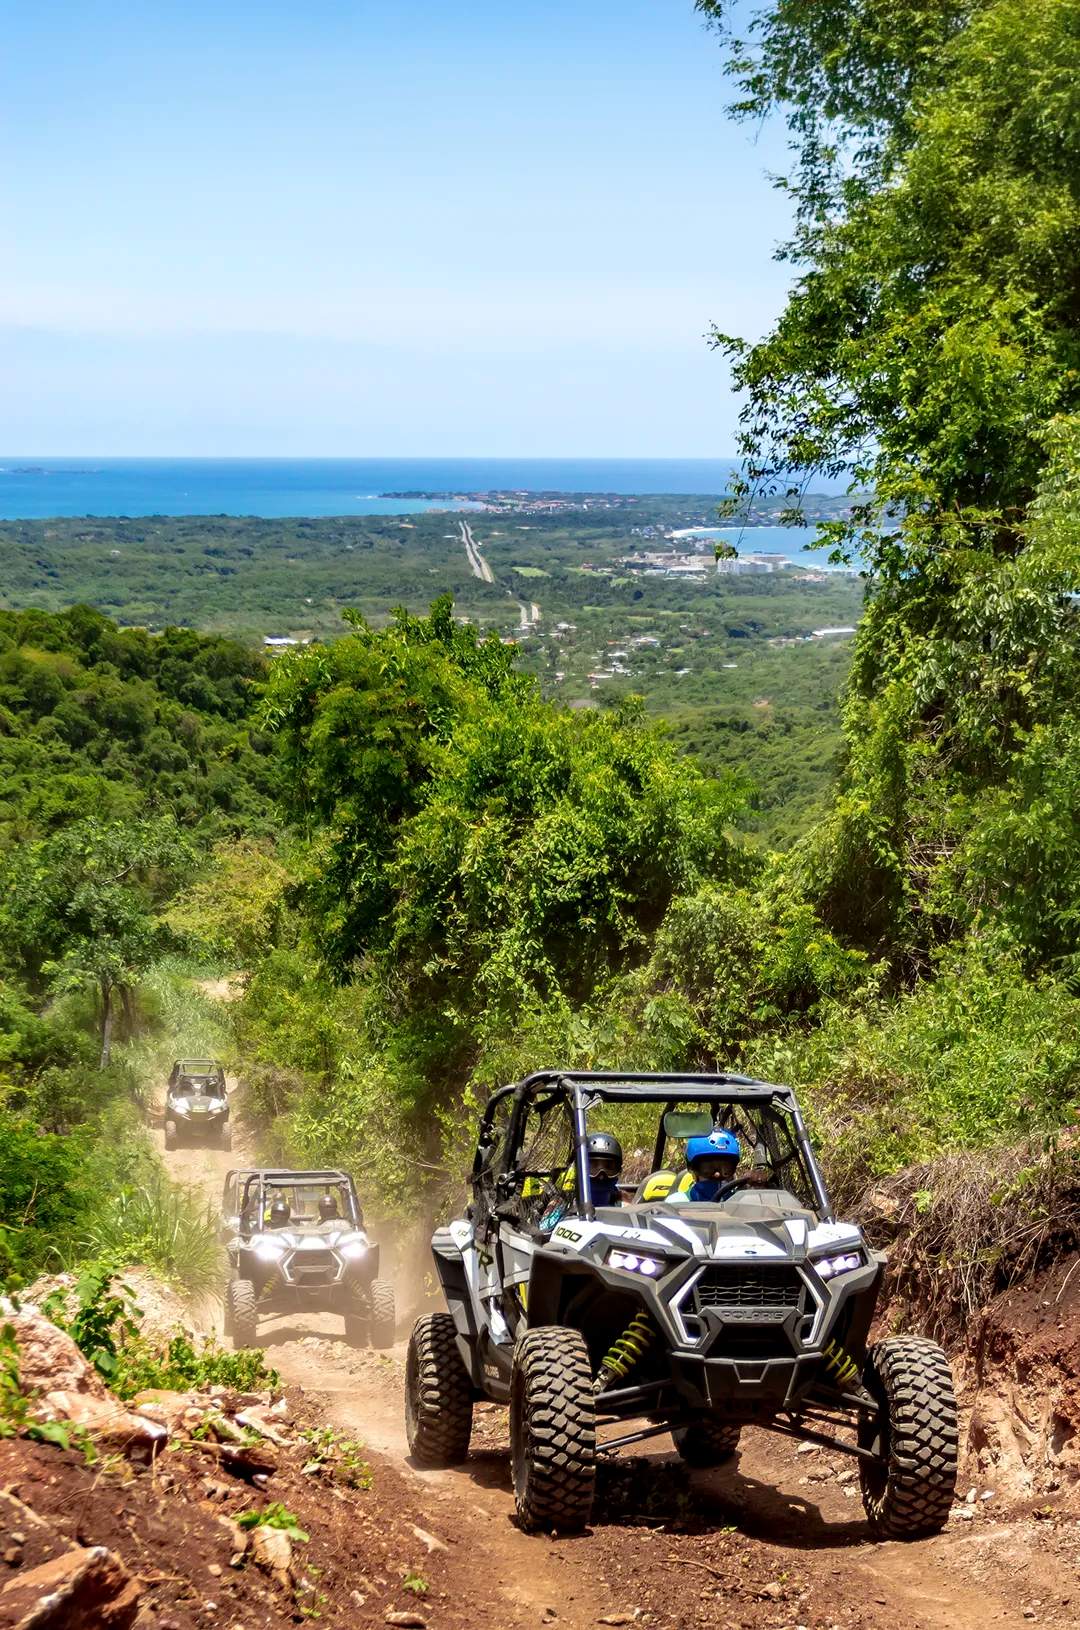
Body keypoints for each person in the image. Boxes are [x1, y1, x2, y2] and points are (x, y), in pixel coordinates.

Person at [679, 1130, 742, 1202]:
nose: (717, 1174)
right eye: (708, 1169)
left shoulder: (739, 1201)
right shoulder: (679, 1202)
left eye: (726, 1170)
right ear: (692, 1169)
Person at [586, 1131, 624, 1207]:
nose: (601, 1176)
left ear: (619, 1171)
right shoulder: (566, 1205)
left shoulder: (626, 1205)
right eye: (593, 1167)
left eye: (609, 1167)